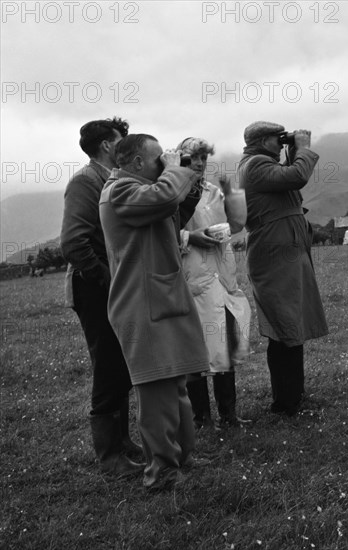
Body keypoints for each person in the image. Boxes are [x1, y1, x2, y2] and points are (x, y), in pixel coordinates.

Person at [99, 134, 210, 490]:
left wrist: (191, 172)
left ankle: (182, 456)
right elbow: (165, 197)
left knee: (175, 382)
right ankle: (161, 472)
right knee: (157, 391)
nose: (164, 161)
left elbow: (174, 209)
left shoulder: (144, 191)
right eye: (156, 158)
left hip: (160, 298)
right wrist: (176, 169)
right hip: (142, 304)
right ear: (134, 163)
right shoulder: (119, 191)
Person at [60, 117, 143, 477]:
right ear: (108, 145)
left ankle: (123, 441)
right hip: (95, 287)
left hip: (114, 284)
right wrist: (107, 278)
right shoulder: (84, 181)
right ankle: (109, 455)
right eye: (122, 138)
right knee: (108, 364)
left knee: (122, 363)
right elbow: (73, 242)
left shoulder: (113, 180)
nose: (127, 142)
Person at [237, 121, 328, 416]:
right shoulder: (254, 165)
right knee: (284, 327)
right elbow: (297, 176)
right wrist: (302, 148)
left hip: (284, 252)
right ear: (264, 141)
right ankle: (285, 404)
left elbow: (288, 179)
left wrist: (292, 150)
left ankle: (294, 396)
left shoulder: (260, 162)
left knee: (292, 327)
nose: (282, 142)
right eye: (279, 139)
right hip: (275, 255)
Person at [177, 137, 252, 429]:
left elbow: (235, 226)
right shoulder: (171, 194)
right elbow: (162, 233)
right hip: (193, 277)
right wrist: (190, 237)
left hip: (222, 274)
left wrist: (232, 193)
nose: (198, 164)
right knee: (197, 352)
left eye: (202, 159)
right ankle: (201, 418)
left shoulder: (211, 191)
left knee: (226, 346)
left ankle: (229, 413)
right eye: (192, 159)